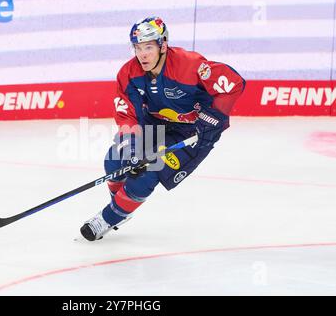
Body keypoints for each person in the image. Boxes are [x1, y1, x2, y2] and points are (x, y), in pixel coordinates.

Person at [80, 16, 245, 241]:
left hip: (193, 133)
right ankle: (120, 206)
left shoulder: (190, 65)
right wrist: (132, 147)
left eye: (148, 47)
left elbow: (234, 83)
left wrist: (212, 118)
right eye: (137, 48)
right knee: (115, 160)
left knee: (146, 175)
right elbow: (128, 115)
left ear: (163, 45)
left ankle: (108, 217)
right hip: (155, 124)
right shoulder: (129, 73)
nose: (142, 54)